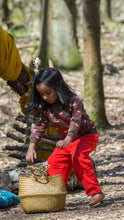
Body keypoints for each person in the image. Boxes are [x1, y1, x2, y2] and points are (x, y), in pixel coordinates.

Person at [25, 68, 105, 207]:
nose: (45, 97)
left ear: (58, 86)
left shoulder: (74, 101)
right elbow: (39, 127)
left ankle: (95, 192)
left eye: (48, 93)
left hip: (86, 136)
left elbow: (75, 122)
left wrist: (68, 139)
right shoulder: (46, 109)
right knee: (54, 162)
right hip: (68, 142)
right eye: (41, 94)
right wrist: (31, 147)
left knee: (79, 158)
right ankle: (55, 196)